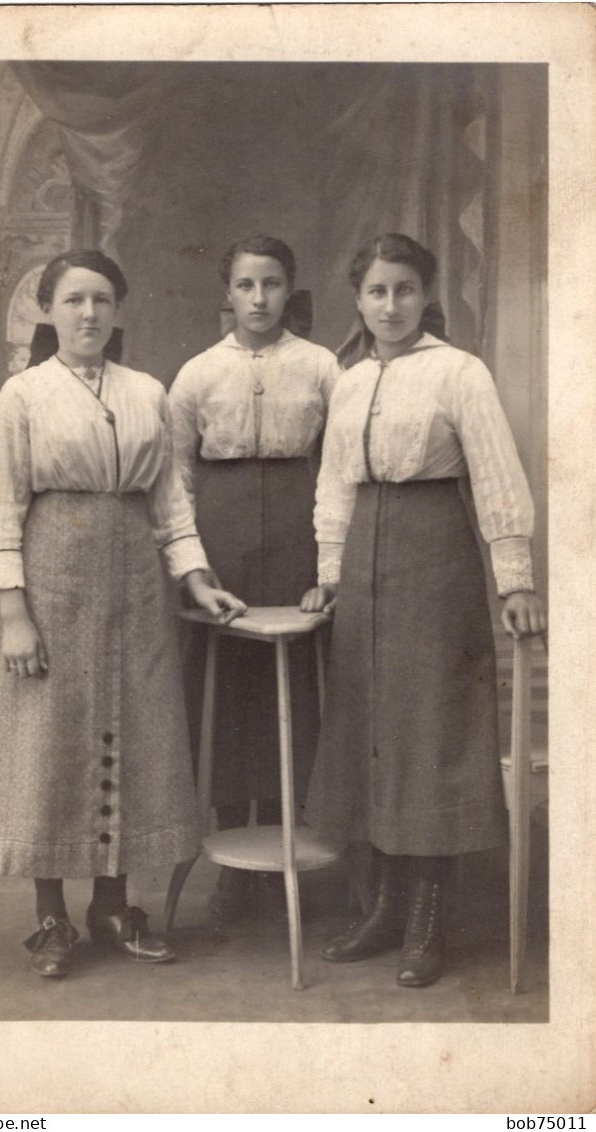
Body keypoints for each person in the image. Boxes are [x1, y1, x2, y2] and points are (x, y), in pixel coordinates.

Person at [0, 249, 245, 978]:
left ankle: (116, 905)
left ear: (117, 310)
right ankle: (52, 917)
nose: (87, 314)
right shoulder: (22, 396)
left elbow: (170, 506)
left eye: (100, 301)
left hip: (137, 590)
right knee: (48, 747)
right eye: (72, 301)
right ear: (48, 310)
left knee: (137, 737)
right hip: (52, 578)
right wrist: (15, 615)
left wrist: (196, 578)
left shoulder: (146, 391)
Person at [301, 233, 546, 987]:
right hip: (364, 572)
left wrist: (514, 580)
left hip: (434, 554)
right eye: (376, 291)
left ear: (425, 294)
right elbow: (336, 484)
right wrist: (329, 573)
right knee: (372, 734)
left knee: (429, 735)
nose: (390, 305)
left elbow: (497, 475)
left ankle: (426, 919)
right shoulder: (346, 382)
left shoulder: (457, 373)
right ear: (357, 297)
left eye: (404, 290)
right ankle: (380, 907)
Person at [168, 234, 341, 926]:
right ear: (228, 292)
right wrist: (194, 566)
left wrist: (328, 563)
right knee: (228, 690)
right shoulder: (197, 374)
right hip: (222, 543)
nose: (259, 298)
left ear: (289, 287)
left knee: (297, 687)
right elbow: (175, 480)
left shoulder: (324, 367)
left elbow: (338, 469)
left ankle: (284, 832)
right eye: (245, 285)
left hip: (298, 539)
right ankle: (232, 859)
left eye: (271, 283)